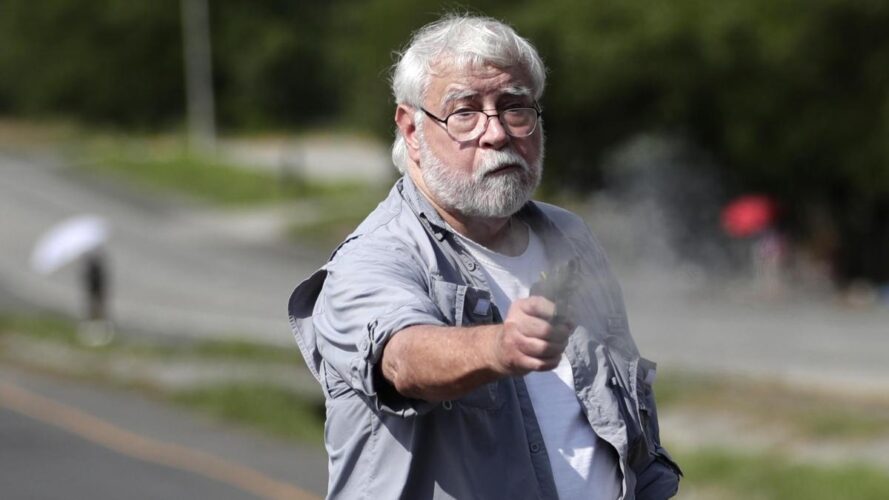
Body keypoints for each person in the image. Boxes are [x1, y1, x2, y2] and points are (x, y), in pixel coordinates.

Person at [289, 14, 681, 500]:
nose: (496, 133)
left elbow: (628, 430)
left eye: (515, 107)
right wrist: (499, 348)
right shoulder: (372, 257)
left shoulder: (570, 236)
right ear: (411, 129)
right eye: (465, 112)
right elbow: (402, 359)